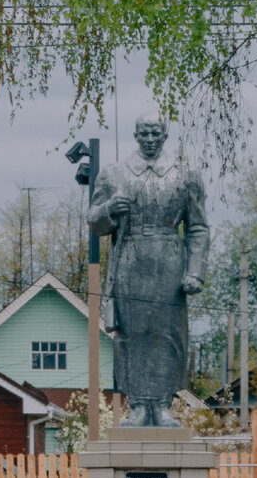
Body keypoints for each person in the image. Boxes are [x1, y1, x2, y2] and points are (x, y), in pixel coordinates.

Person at [88, 114, 210, 427]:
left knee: (167, 333)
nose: (151, 139)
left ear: (165, 134)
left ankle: (164, 403)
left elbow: (197, 227)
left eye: (156, 133)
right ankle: (139, 404)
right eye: (145, 133)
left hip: (170, 262)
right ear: (135, 134)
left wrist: (195, 272)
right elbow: (94, 221)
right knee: (133, 334)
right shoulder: (114, 174)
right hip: (130, 259)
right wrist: (109, 210)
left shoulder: (185, 174)